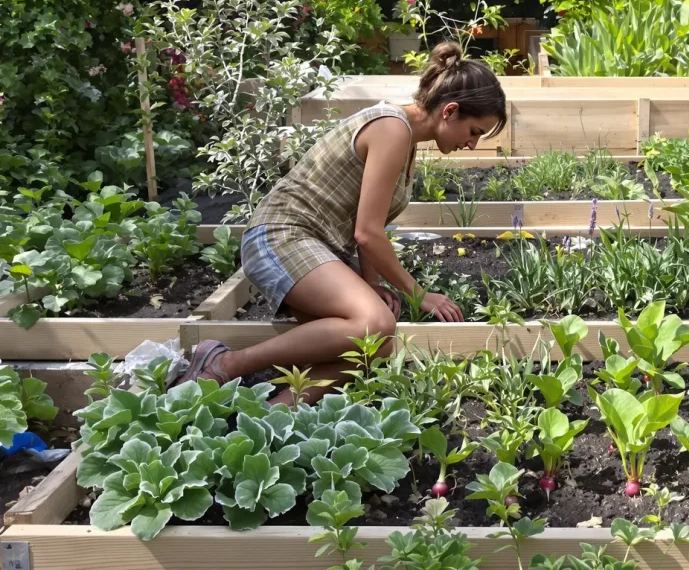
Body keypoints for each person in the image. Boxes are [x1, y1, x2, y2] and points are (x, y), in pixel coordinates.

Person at [171, 42, 507, 404]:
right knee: (375, 325)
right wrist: (419, 294)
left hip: (313, 247)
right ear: (450, 111)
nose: (472, 144)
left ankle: (274, 413)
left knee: (375, 344)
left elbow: (365, 224)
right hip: (281, 236)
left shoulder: (406, 140)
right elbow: (367, 233)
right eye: (474, 131)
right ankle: (226, 362)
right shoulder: (392, 129)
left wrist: (371, 284)